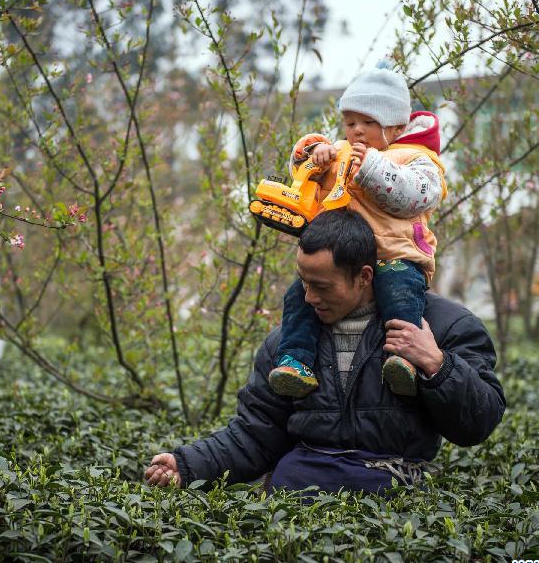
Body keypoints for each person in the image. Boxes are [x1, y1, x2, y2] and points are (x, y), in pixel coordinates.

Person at [145, 211, 504, 495]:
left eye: (320, 286)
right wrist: (189, 465)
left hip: (392, 503)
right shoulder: (288, 344)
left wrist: (437, 365)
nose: (308, 298)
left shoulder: (443, 326)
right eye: (302, 282)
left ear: (364, 277)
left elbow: (479, 421)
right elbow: (257, 434)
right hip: (296, 503)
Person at [271, 65, 447, 399]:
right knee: (300, 296)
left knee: (400, 291)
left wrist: (372, 167)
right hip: (340, 260)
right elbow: (302, 175)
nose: (357, 131)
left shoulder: (416, 157)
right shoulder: (340, 151)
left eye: (368, 123)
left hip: (394, 254)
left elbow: (417, 194)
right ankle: (294, 360)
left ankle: (403, 358)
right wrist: (312, 152)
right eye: (351, 123)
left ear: (395, 126)